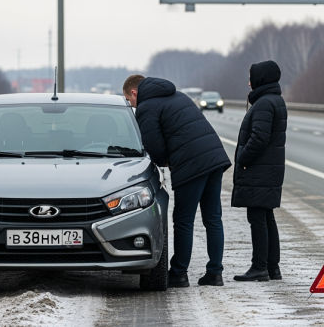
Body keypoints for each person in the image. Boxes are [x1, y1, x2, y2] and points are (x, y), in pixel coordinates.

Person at [122, 75, 231, 288]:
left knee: (183, 220)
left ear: (134, 93)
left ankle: (179, 273)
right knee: (213, 218)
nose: (131, 106)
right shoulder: (178, 95)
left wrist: (164, 162)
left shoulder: (146, 107)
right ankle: (215, 273)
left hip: (191, 163)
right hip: (214, 157)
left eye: (129, 101)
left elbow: (152, 145)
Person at [231, 61, 287, 282]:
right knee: (266, 216)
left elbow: (259, 138)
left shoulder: (264, 104)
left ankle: (259, 267)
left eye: (251, 78)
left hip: (259, 170)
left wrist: (242, 159)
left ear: (261, 79)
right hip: (269, 169)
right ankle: (272, 268)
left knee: (257, 218)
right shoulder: (275, 100)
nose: (249, 82)